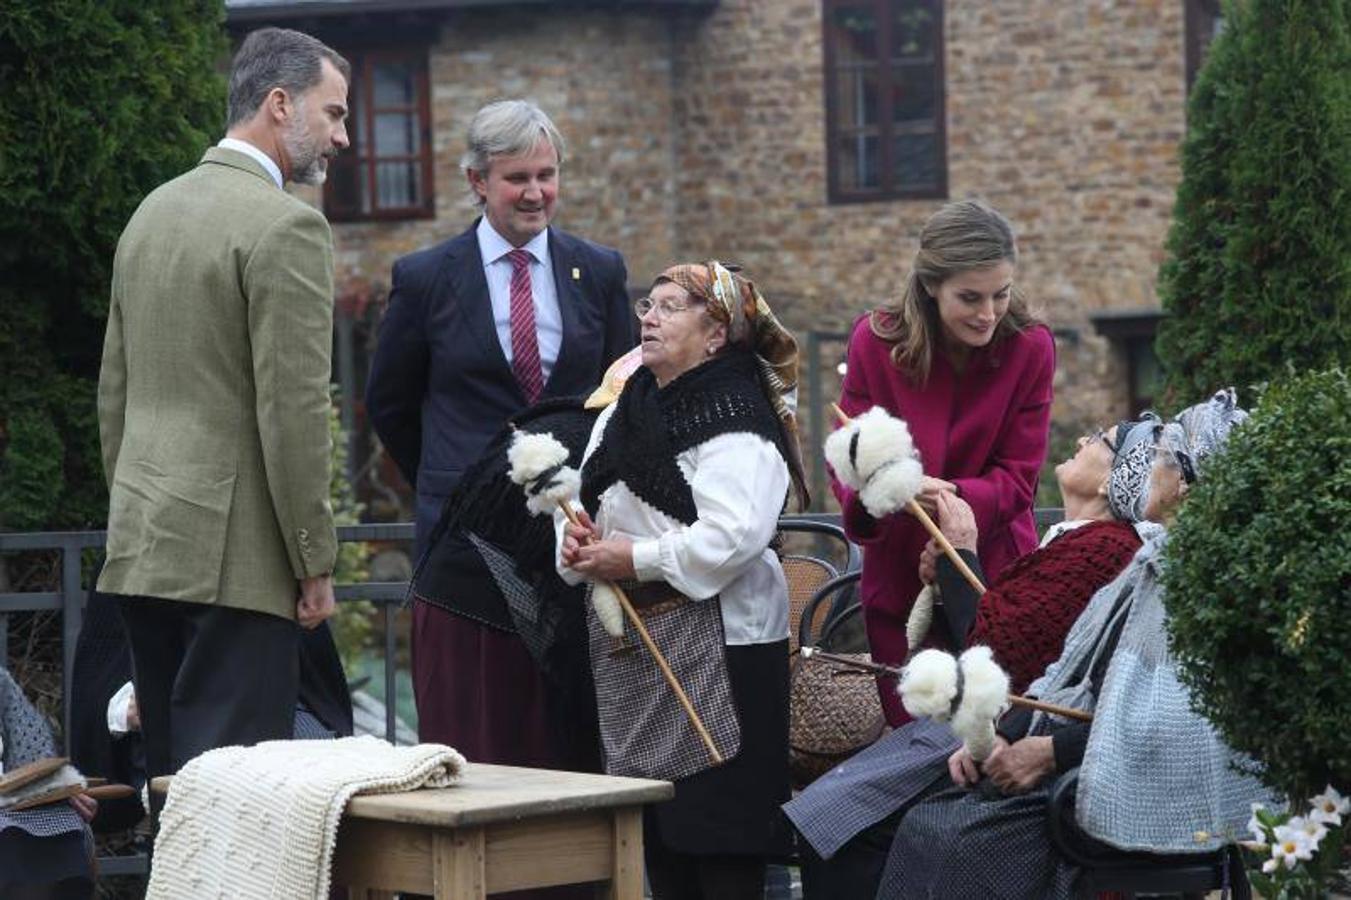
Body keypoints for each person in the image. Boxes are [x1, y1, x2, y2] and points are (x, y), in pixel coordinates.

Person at [877, 389, 1269, 900]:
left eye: (1163, 460)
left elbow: (1172, 722)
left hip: (1120, 789)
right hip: (1076, 756)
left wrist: (1048, 751)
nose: (1150, 466)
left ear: (1186, 489)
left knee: (953, 837)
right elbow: (1067, 671)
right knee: (930, 825)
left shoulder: (1196, 581)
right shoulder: (1153, 563)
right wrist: (1004, 734)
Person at [96, 27, 349, 783]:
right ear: (280, 104)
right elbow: (294, 410)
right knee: (238, 799)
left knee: (173, 792)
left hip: (145, 545)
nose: (341, 135)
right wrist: (314, 561)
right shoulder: (287, 225)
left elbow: (115, 394)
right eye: (332, 113)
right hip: (239, 564)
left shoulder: (152, 212)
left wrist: (137, 508)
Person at [365, 100, 635, 767]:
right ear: (477, 181)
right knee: (477, 741)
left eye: (547, 174)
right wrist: (462, 481)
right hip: (466, 554)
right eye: (518, 178)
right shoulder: (426, 278)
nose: (536, 192)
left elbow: (624, 395)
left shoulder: (597, 271)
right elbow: (389, 403)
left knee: (565, 743)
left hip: (572, 543)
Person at [787, 416, 1157, 899]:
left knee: (842, 821)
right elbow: (1008, 629)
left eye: (1100, 440)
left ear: (1112, 478)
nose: (1083, 438)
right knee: (832, 810)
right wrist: (951, 573)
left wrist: (961, 556)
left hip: (1020, 736)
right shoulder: (1075, 542)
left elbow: (1003, 657)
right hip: (1001, 726)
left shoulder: (1103, 549)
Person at [558, 262, 807, 899]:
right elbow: (594, 509)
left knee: (720, 845)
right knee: (658, 842)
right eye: (650, 303)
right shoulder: (623, 410)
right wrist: (577, 546)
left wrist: (632, 560)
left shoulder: (737, 416)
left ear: (717, 332)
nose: (649, 316)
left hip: (724, 649)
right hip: (634, 649)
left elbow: (734, 537)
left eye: (671, 307)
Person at [833, 199, 1055, 725]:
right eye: (970, 297)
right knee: (915, 760)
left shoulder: (1032, 347)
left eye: (1001, 294)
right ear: (931, 286)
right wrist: (887, 493)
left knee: (994, 744)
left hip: (993, 580)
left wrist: (947, 502)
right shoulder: (874, 340)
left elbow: (1020, 479)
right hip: (899, 582)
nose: (988, 313)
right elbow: (851, 462)